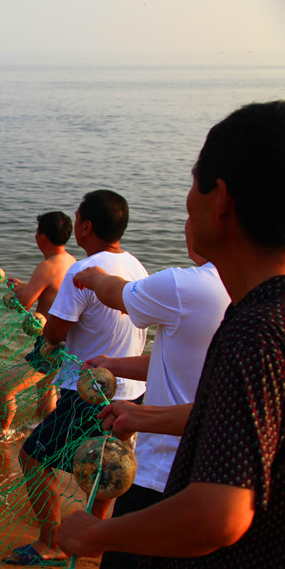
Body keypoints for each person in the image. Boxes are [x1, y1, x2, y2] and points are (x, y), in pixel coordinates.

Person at [56, 101, 285, 567]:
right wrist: (143, 418)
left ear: (221, 200)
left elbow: (216, 518)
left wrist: (97, 534)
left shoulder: (256, 332)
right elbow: (243, 421)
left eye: (192, 183)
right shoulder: (262, 316)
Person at [71, 220, 229, 569]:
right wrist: (114, 364)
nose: (188, 224)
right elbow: (176, 362)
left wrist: (92, 274)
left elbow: (117, 293)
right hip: (215, 478)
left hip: (161, 474)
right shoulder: (248, 297)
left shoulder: (186, 286)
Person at [4, 190, 149, 566]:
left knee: (33, 456)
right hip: (131, 393)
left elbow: (54, 333)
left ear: (86, 226)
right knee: (106, 468)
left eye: (77, 217)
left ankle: (51, 542)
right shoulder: (136, 267)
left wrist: (44, 330)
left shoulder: (81, 272)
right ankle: (95, 541)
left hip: (89, 393)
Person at [0, 211, 76, 439]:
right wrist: (28, 285)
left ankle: (1, 435)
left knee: (5, 387)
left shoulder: (46, 266)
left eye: (38, 230)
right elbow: (53, 289)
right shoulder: (71, 262)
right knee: (47, 386)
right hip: (67, 342)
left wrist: (19, 293)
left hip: (50, 345)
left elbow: (24, 303)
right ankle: (44, 427)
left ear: (42, 237)